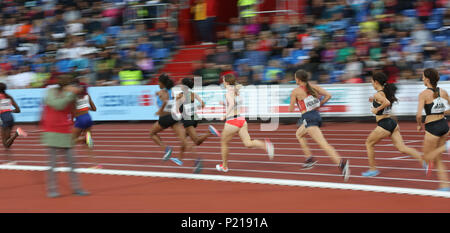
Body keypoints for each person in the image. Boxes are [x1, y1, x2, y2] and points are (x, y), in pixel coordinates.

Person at [289, 70, 350, 181]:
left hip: (308, 117)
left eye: (295, 78)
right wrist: (320, 104)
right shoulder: (314, 87)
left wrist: (296, 103)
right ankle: (309, 159)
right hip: (316, 115)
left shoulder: (295, 91)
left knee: (323, 144)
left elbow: (290, 109)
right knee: (299, 134)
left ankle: (341, 163)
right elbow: (328, 95)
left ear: (298, 79)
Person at [362, 72, 423, 177]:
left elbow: (386, 103)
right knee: (402, 148)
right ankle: (423, 159)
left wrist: (376, 109)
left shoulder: (378, 94)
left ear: (376, 82)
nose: (371, 83)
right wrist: (373, 100)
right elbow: (383, 100)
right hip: (392, 124)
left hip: (384, 125)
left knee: (368, 143)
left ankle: (373, 169)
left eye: (372, 81)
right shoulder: (384, 92)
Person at [40, 75, 89, 198]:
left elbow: (76, 110)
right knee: (53, 163)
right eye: (72, 85)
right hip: (51, 130)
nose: (74, 88)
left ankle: (77, 188)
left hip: (65, 130)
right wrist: (70, 95)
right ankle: (52, 189)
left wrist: (78, 95)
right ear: (65, 86)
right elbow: (58, 105)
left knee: (72, 162)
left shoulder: (71, 96)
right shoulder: (51, 92)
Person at [216, 73, 274, 173]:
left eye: (224, 80)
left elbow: (232, 104)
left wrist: (224, 116)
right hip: (241, 120)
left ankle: (224, 166)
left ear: (228, 82)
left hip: (232, 121)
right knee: (248, 143)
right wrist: (225, 103)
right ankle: (265, 145)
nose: (223, 82)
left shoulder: (228, 92)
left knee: (224, 142)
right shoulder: (236, 90)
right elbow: (234, 103)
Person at [175, 77, 220, 173]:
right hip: (194, 119)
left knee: (196, 141)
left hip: (187, 120)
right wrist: (194, 108)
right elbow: (203, 104)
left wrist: (177, 100)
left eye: (181, 84)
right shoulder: (193, 94)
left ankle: (209, 133)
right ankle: (179, 159)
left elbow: (177, 110)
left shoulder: (180, 96)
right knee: (183, 139)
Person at [416, 68, 450, 190]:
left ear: (428, 79)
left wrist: (419, 124)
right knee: (437, 159)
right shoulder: (443, 91)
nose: (422, 78)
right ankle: (445, 185)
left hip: (433, 128)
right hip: (444, 125)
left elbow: (419, 115)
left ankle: (446, 146)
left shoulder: (424, 94)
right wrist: (442, 111)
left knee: (426, 157)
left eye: (423, 76)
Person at [149, 74, 189, 167]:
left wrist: (159, 111)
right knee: (183, 139)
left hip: (164, 117)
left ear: (162, 83)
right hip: (173, 116)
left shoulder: (162, 92)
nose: (157, 83)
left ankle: (166, 149)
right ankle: (182, 159)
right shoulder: (172, 91)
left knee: (152, 133)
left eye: (158, 82)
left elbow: (165, 101)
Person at [72, 81, 100, 169]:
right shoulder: (87, 96)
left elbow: (73, 112)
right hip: (88, 118)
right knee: (88, 141)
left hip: (80, 120)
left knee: (71, 141)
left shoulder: (74, 98)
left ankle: (82, 138)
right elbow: (95, 109)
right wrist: (87, 108)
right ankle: (94, 164)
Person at [0, 83, 27, 165]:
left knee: (5, 143)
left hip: (5, 119)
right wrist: (10, 111)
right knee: (7, 143)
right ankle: (10, 161)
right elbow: (18, 110)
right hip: (10, 118)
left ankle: (17, 133)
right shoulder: (8, 97)